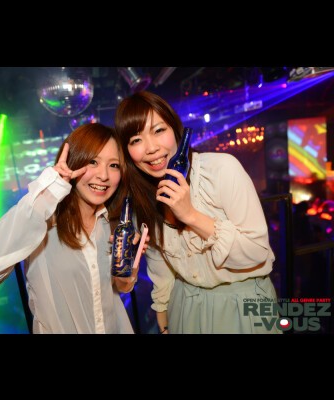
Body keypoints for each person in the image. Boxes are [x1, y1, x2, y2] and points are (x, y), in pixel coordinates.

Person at [114, 91, 282, 334]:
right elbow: (161, 270)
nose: (151, 148)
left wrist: (190, 215)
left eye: (158, 130)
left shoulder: (221, 170)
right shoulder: (142, 197)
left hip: (244, 306)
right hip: (185, 308)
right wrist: (164, 322)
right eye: (136, 140)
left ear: (175, 130)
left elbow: (256, 252)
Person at [0, 123, 141, 334]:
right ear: (74, 162)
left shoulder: (113, 223)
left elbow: (118, 288)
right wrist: (48, 194)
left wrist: (126, 274)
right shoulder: (42, 220)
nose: (104, 175)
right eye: (93, 162)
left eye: (114, 165)